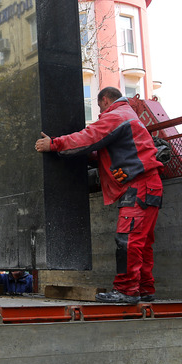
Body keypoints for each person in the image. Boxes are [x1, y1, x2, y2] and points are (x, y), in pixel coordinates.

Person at [35, 87, 163, 304]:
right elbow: (106, 149)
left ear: (104, 100)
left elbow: (89, 137)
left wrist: (54, 144)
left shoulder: (117, 115)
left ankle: (126, 291)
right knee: (141, 241)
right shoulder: (128, 115)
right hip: (147, 185)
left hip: (138, 186)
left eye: (99, 106)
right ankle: (144, 289)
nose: (100, 111)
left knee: (127, 240)